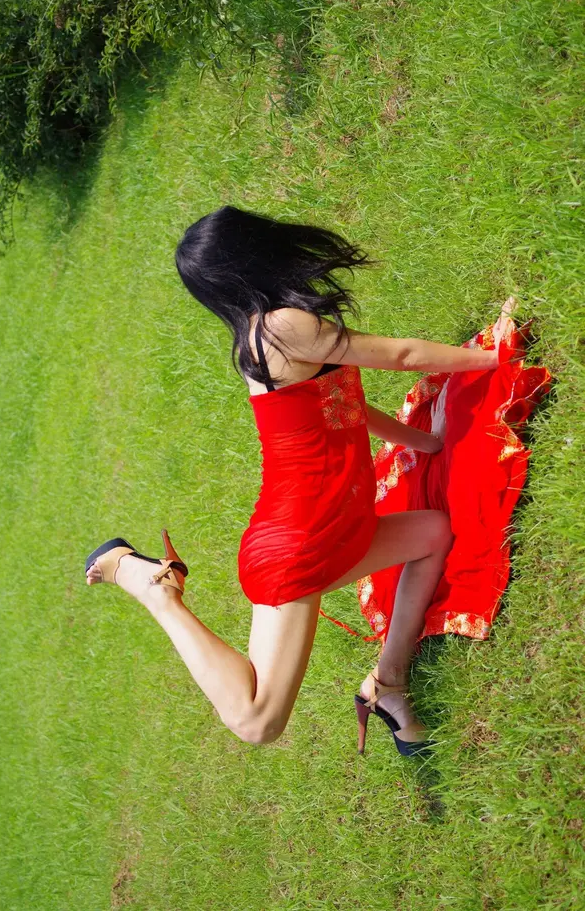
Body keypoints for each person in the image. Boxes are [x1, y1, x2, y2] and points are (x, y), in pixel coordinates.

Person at [84, 205, 514, 756]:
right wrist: (491, 357)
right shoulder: (281, 328)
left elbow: (341, 404)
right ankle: (152, 587)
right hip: (298, 542)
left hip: (329, 523)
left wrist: (425, 443)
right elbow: (402, 355)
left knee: (433, 532)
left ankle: (388, 685)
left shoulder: (260, 336)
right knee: (258, 721)